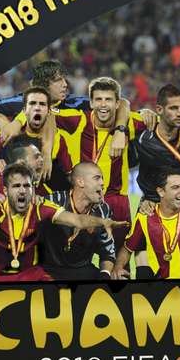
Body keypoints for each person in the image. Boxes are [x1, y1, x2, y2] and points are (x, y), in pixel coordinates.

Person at [0, 163, 123, 282]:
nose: (22, 191)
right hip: (8, 272)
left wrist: (102, 221)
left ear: (33, 189)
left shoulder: (43, 207)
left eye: (27, 186)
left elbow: (80, 222)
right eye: (17, 186)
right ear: (5, 190)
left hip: (54, 271)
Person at [52, 76, 145, 247]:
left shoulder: (128, 122)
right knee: (75, 257)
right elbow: (42, 112)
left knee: (119, 264)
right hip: (83, 200)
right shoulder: (78, 120)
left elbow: (165, 122)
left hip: (117, 202)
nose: (103, 105)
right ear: (91, 103)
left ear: (117, 104)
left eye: (108, 100)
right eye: (98, 100)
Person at [0, 86, 73, 191]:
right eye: (32, 103)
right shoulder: (7, 133)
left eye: (42, 104)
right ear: (24, 110)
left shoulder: (59, 139)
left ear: (48, 112)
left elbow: (69, 177)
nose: (37, 108)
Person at [43, 162, 119, 280]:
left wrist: (105, 274)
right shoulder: (53, 201)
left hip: (82, 270)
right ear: (80, 182)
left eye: (102, 179)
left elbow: (108, 252)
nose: (102, 183)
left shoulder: (103, 209)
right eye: (97, 178)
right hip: (49, 270)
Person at [136, 84, 180, 209]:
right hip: (152, 205)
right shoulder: (142, 139)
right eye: (173, 108)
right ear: (159, 109)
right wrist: (141, 112)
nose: (179, 113)